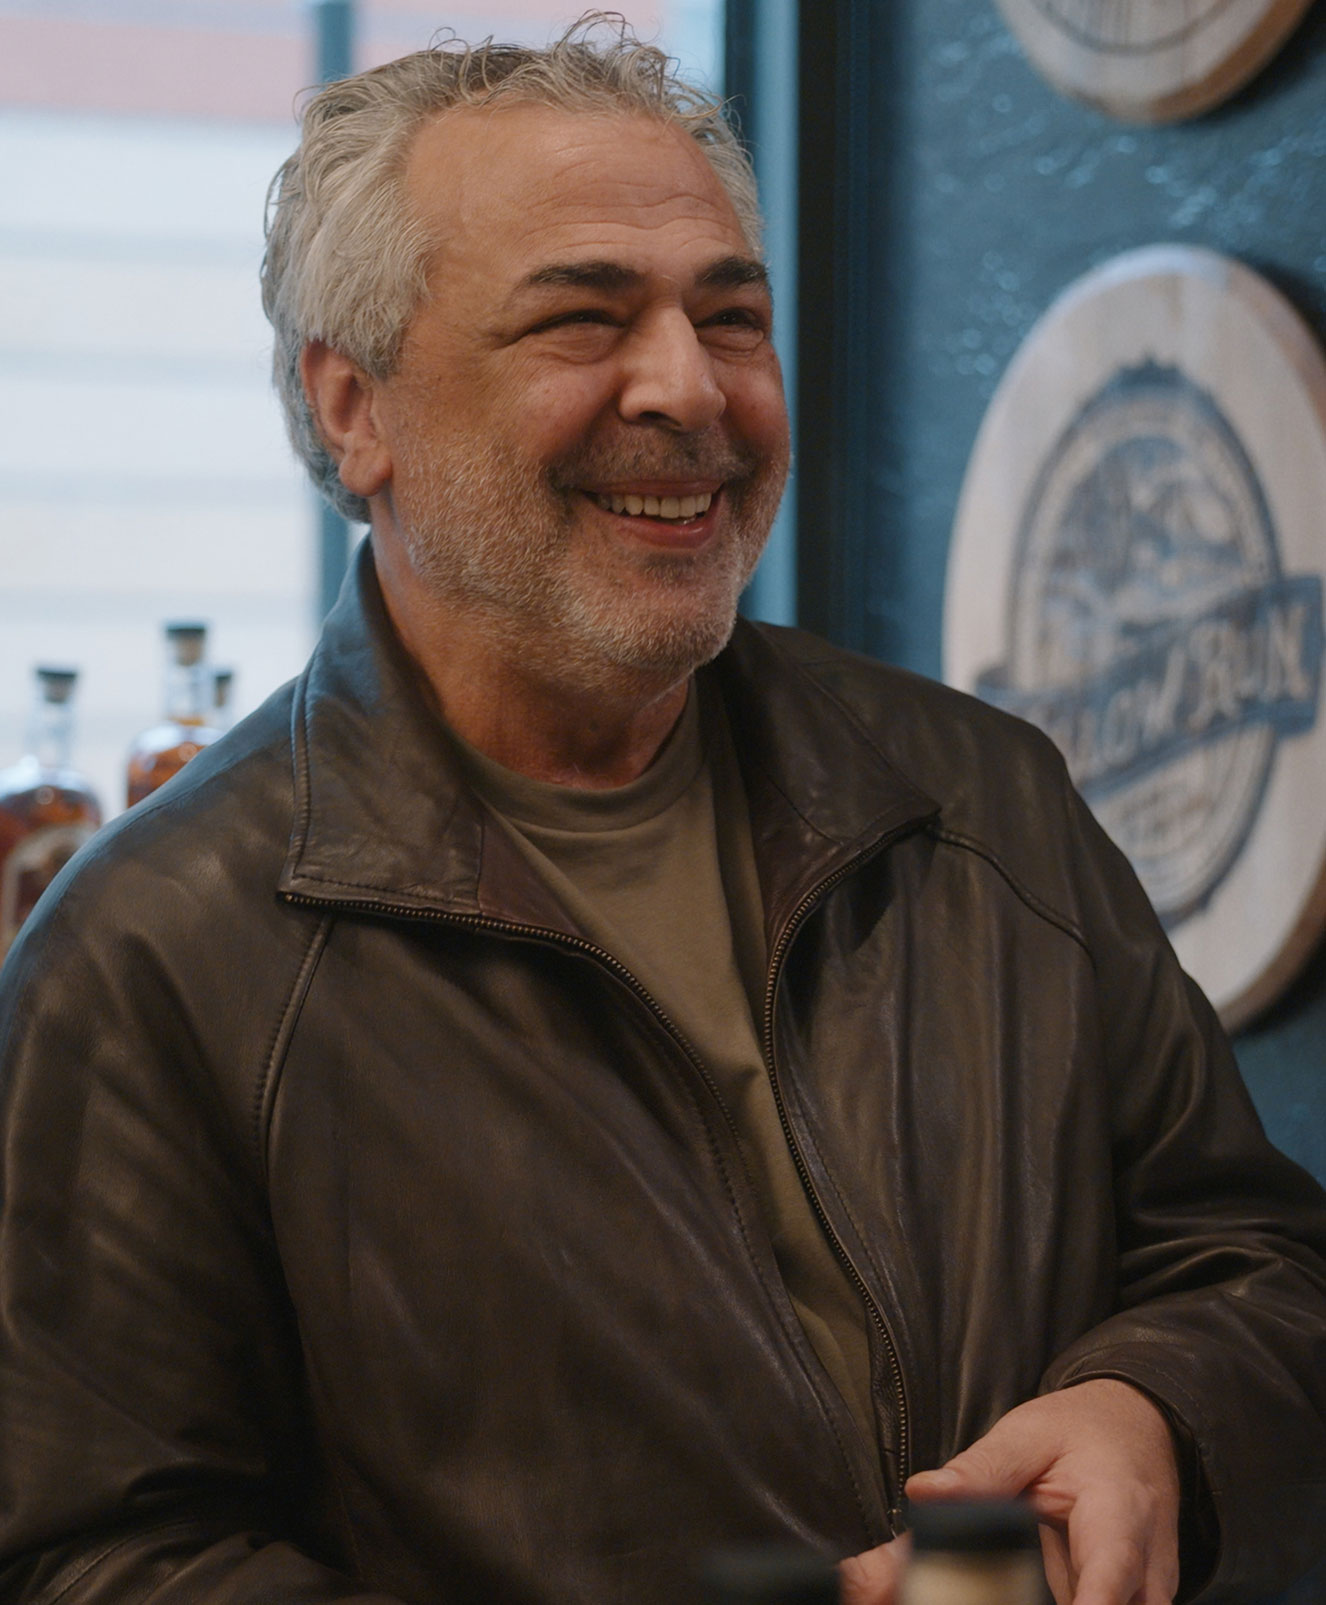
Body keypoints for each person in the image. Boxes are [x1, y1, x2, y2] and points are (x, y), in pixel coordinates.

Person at [1, 16, 1324, 1605]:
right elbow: (93, 1554)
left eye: (732, 315)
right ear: (356, 409)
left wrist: (1152, 1411)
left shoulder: (977, 801)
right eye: (582, 320)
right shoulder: (151, 957)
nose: (689, 389)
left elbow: (1257, 1262)